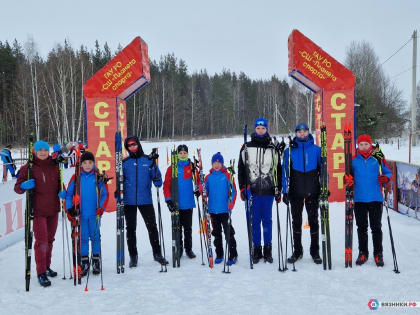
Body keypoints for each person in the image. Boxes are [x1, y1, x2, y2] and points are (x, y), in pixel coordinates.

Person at [14, 140, 63, 287]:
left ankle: (46, 266)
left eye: (45, 150)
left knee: (50, 240)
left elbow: (60, 183)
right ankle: (40, 272)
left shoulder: (54, 165)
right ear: (35, 151)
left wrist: (63, 191)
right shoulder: (28, 168)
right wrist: (23, 185)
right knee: (41, 242)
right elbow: (17, 188)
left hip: (53, 209)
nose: (43, 152)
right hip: (38, 211)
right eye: (40, 150)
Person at [238, 117, 282, 264]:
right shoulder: (247, 147)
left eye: (263, 128)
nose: (261, 130)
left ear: (267, 129)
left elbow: (278, 169)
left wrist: (278, 188)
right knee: (255, 221)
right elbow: (241, 169)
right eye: (258, 128)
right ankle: (257, 249)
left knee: (267, 221)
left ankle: (268, 249)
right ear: (255, 129)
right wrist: (243, 188)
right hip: (253, 191)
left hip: (268, 190)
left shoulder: (272, 148)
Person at [345, 134, 391, 267]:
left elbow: (388, 172)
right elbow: (347, 176)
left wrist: (385, 178)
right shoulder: (353, 158)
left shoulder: (378, 156)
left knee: (376, 228)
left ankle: (378, 254)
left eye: (366, 144)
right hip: (359, 198)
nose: (364, 146)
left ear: (370, 144)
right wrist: (348, 180)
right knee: (362, 228)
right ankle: (363, 253)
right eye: (361, 144)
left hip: (375, 198)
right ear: (357, 146)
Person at [123, 136, 168, 267]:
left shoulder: (148, 160)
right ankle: (133, 256)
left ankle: (157, 253)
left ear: (138, 144)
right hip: (129, 201)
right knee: (130, 229)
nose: (132, 147)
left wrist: (156, 174)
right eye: (129, 145)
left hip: (145, 199)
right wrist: (118, 192)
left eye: (134, 144)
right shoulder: (125, 163)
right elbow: (120, 182)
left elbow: (158, 180)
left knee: (152, 227)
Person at [282, 123, 322, 264]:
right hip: (295, 191)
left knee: (313, 221)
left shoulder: (317, 150)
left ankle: (315, 250)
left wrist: (324, 188)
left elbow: (323, 171)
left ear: (308, 133)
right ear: (296, 134)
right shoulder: (289, 151)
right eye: (299, 132)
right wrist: (284, 191)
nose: (302, 134)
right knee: (296, 222)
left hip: (313, 190)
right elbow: (284, 173)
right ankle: (297, 251)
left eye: (304, 131)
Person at [64, 151, 108, 276]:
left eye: (90, 163)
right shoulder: (76, 177)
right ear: (81, 164)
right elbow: (68, 195)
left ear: (94, 163)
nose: (87, 165)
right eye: (85, 163)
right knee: (82, 238)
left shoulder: (98, 176)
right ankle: (84, 262)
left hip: (95, 214)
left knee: (95, 237)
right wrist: (70, 208)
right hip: (81, 214)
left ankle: (96, 260)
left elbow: (105, 194)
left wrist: (102, 208)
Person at [163, 144, 198, 259]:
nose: (183, 155)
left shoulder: (191, 166)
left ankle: (189, 249)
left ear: (187, 154)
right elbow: (166, 185)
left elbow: (198, 181)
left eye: (184, 153)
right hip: (176, 203)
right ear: (177, 154)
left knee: (188, 229)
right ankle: (179, 248)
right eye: (180, 153)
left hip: (188, 203)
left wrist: (198, 190)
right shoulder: (172, 168)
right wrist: (168, 200)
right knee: (177, 228)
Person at [205, 152, 238, 265]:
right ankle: (219, 254)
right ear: (212, 164)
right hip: (213, 210)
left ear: (222, 164)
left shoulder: (227, 176)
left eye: (219, 162)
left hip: (225, 210)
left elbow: (233, 190)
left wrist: (231, 203)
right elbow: (205, 191)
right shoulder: (208, 177)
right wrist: (201, 189)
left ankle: (233, 255)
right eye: (214, 162)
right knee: (216, 233)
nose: (216, 165)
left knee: (229, 232)